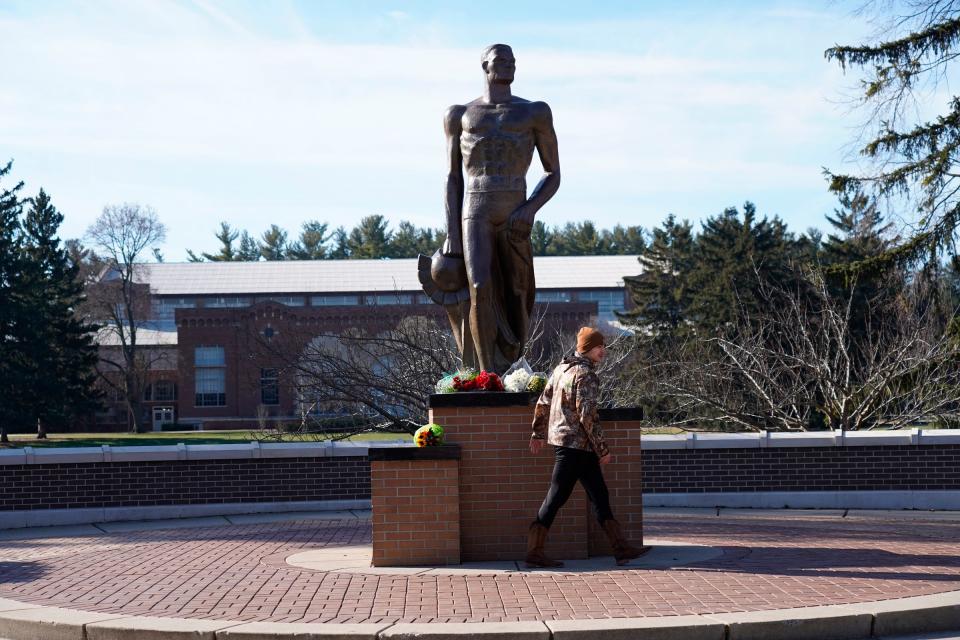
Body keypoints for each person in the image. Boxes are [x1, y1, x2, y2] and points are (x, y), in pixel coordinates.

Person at [438, 43, 561, 374]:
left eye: (512, 61)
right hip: (475, 209)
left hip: (514, 211)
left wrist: (530, 209)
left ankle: (515, 369)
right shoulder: (459, 115)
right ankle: (486, 373)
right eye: (500, 61)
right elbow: (452, 178)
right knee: (479, 286)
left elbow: (553, 174)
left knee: (519, 293)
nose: (508, 66)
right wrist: (452, 234)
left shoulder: (534, 112)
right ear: (485, 67)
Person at [527, 327, 649, 567]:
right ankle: (534, 551)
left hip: (574, 446)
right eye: (598, 347)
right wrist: (603, 449)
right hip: (575, 447)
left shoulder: (561, 369)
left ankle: (621, 549)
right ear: (586, 348)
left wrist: (538, 432)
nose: (603, 351)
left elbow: (543, 402)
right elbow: (587, 415)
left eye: (603, 346)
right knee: (556, 496)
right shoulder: (586, 375)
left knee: (599, 496)